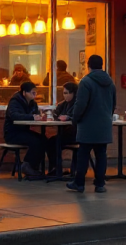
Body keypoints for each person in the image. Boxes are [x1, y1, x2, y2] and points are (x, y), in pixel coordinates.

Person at [67, 55, 115, 193]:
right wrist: (107, 117)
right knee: (101, 154)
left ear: (89, 66)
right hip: (104, 123)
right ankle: (100, 184)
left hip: (88, 124)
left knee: (83, 154)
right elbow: (113, 103)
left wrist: (75, 119)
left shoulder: (86, 82)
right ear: (102, 65)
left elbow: (80, 104)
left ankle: (79, 183)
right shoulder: (110, 82)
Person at [4, 81, 52, 177]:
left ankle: (34, 167)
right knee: (36, 141)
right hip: (12, 133)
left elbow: (36, 114)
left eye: (35, 92)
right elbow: (14, 115)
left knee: (44, 140)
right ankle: (27, 165)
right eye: (32, 92)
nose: (35, 95)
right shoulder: (15, 102)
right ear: (24, 93)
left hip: (23, 131)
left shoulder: (33, 103)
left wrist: (40, 117)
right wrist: (32, 117)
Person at [46, 81, 79, 173]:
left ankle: (57, 168)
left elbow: (77, 116)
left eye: (66, 93)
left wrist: (68, 117)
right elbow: (56, 112)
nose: (65, 96)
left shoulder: (78, 104)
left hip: (76, 134)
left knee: (53, 142)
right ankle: (56, 167)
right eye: (64, 93)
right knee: (51, 142)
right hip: (67, 133)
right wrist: (56, 116)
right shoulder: (64, 104)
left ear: (73, 93)